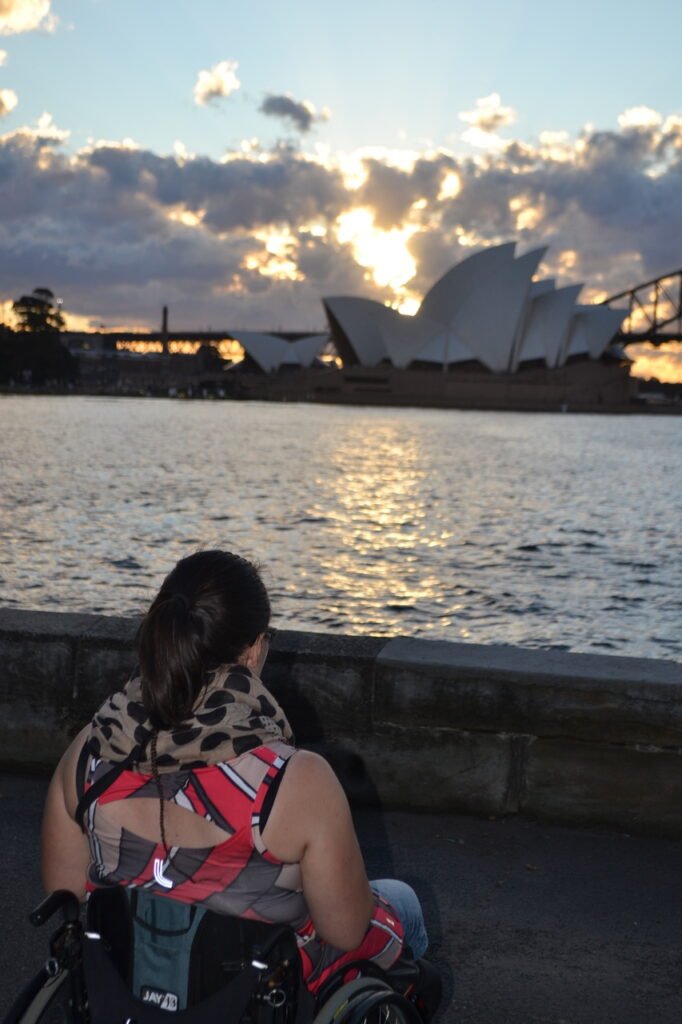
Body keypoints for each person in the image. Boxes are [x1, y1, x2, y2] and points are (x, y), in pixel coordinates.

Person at [41, 549, 430, 996]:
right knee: (403, 902)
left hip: (129, 979)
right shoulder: (292, 779)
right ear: (253, 651)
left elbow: (65, 890)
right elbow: (344, 932)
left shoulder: (89, 752)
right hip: (253, 992)